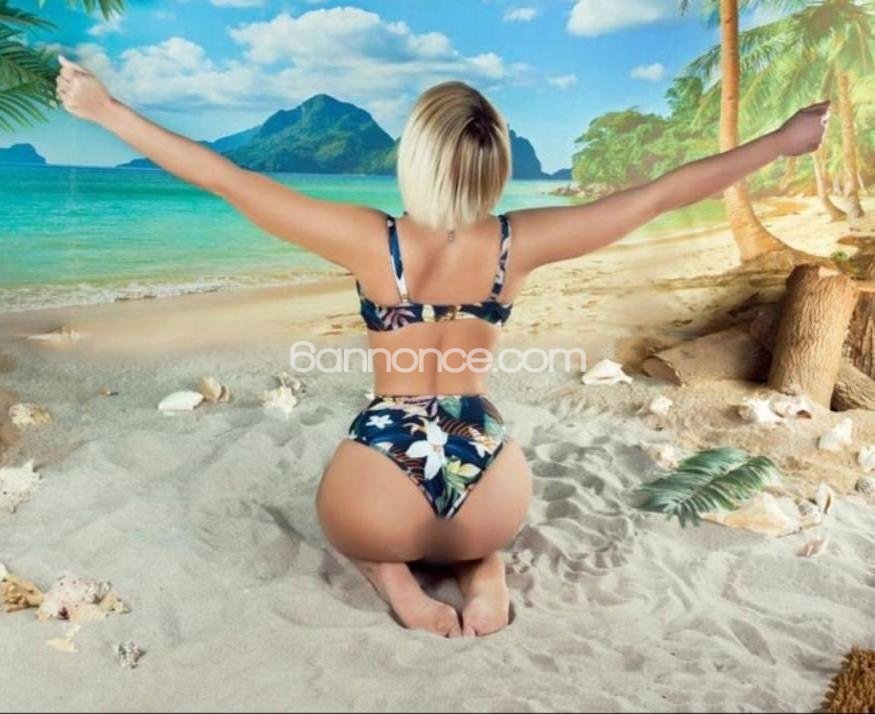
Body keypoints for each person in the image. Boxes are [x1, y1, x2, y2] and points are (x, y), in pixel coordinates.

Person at [56, 54, 830, 638]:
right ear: (495, 166)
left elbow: (226, 179)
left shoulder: (371, 241)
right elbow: (660, 194)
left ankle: (395, 582)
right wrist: (780, 140)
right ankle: (482, 567)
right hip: (490, 484)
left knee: (349, 520)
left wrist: (106, 109)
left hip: (382, 475)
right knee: (472, 532)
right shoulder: (518, 242)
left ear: (416, 158)